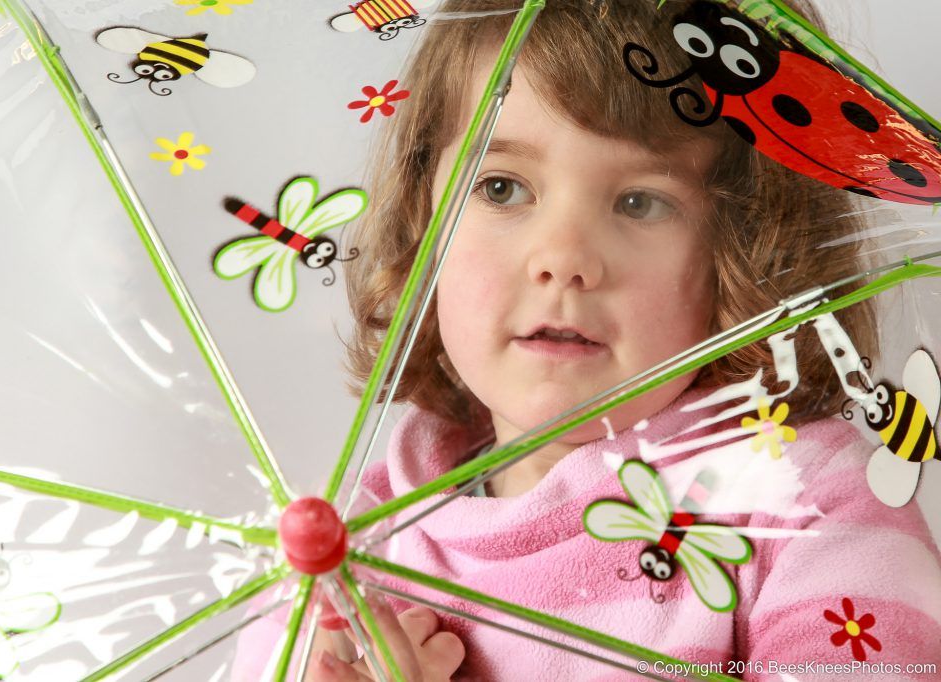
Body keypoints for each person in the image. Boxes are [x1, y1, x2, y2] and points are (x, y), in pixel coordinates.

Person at [233, 1, 941, 679]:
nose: (563, 256)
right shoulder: (336, 557)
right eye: (503, 188)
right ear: (425, 218)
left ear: (744, 246)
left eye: (640, 201)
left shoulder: (806, 501)